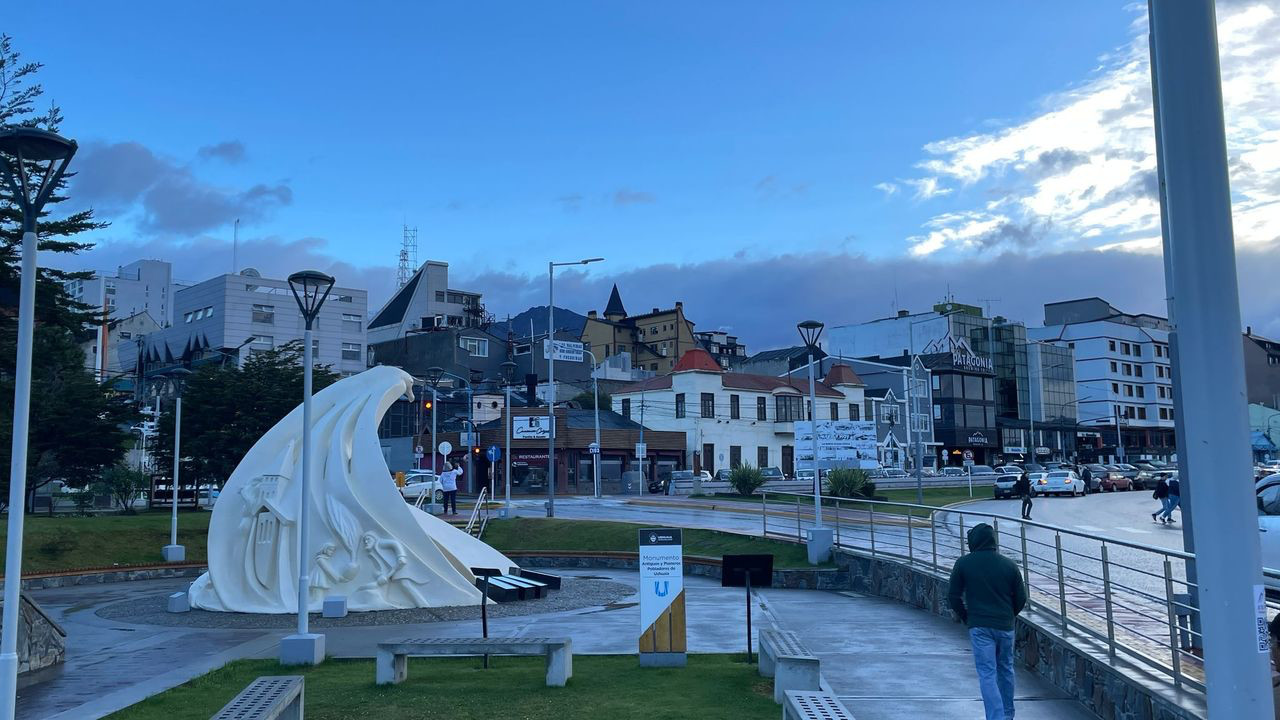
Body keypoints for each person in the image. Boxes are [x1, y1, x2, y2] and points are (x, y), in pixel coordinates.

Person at [948, 523, 1028, 720]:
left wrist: (967, 617)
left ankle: (996, 717)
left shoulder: (964, 563)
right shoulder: (1009, 565)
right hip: (1005, 626)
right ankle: (1008, 715)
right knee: (1006, 670)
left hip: (980, 627)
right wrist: (1009, 615)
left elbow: (953, 596)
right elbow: (1021, 598)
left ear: (973, 541)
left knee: (987, 673)